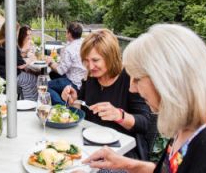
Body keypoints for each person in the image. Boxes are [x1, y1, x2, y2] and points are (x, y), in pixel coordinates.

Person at [81, 24, 206, 173]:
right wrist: (124, 164)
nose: (131, 88)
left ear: (167, 79)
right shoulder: (185, 129)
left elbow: (144, 122)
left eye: (137, 79)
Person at [62, 29, 151, 159]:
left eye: (95, 60)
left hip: (122, 152)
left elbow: (145, 124)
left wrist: (119, 115)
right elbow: (81, 108)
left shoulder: (130, 78)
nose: (90, 66)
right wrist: (74, 100)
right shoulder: (91, 76)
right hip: (89, 144)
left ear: (110, 57)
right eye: (86, 60)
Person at [0, 22, 38, 101]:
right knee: (34, 79)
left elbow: (11, 59)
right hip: (10, 77)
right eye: (17, 31)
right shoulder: (10, 44)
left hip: (0, 76)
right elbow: (21, 65)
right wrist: (31, 59)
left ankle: (26, 100)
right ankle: (30, 103)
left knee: (31, 73)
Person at [46, 22, 87, 105]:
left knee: (44, 86)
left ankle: (62, 106)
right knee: (53, 74)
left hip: (74, 83)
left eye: (66, 32)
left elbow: (61, 70)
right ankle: (63, 97)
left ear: (69, 33)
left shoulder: (69, 49)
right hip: (84, 81)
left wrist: (50, 62)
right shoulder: (84, 43)